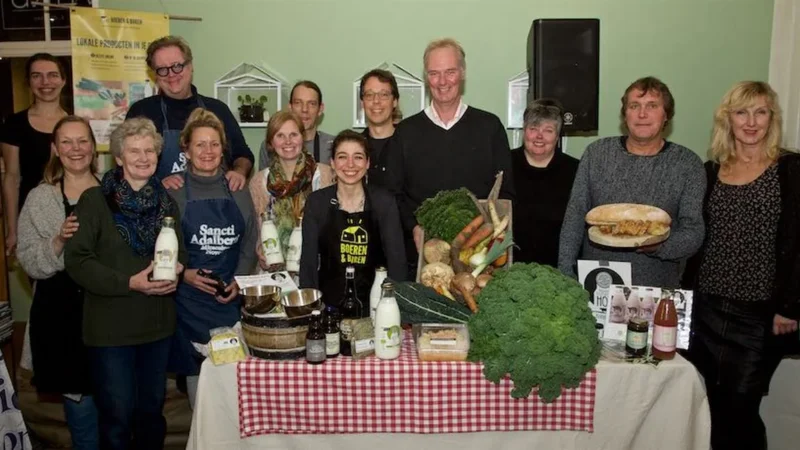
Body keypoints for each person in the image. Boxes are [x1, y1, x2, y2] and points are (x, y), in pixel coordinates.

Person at [683, 81, 800, 450]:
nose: (751, 122)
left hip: (759, 316)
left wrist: (790, 306)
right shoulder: (710, 170)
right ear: (727, 119)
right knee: (713, 405)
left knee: (742, 408)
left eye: (760, 112)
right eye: (741, 112)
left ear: (772, 118)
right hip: (707, 310)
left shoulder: (791, 168)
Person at [64, 117, 186, 449]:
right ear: (118, 156)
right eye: (134, 150)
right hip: (110, 332)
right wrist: (129, 282)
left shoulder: (166, 204)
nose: (143, 157)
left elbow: (182, 254)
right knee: (116, 418)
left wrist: (177, 267)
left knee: (150, 416)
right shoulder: (94, 201)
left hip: (157, 328)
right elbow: (77, 261)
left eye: (150, 150)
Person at [558, 76, 706, 287]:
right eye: (634, 105)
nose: (642, 114)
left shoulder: (688, 164)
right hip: (598, 283)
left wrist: (659, 246)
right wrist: (566, 271)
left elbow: (693, 231)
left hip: (657, 287)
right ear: (625, 115)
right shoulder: (597, 154)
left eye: (652, 106)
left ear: (666, 115)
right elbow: (574, 217)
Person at [390, 38, 514, 268]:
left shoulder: (489, 126)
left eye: (450, 72)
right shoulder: (406, 132)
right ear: (427, 77)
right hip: (422, 255)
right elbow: (395, 194)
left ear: (463, 73)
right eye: (434, 73)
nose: (442, 81)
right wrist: (413, 227)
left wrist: (491, 238)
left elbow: (506, 190)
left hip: (479, 256)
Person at [17, 116, 99, 449]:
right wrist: (58, 242)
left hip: (107, 313)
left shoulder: (114, 191)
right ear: (55, 148)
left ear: (94, 147)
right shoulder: (40, 198)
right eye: (67, 142)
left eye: (82, 141)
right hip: (60, 318)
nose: (75, 149)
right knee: (81, 411)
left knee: (118, 406)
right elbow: (28, 260)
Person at [168, 108, 258, 409]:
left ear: (223, 149)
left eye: (214, 144)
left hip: (228, 301)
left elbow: (249, 241)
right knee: (197, 375)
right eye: (200, 145)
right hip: (188, 302)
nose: (208, 151)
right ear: (187, 150)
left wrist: (238, 280)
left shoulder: (237, 187)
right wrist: (185, 274)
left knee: (232, 374)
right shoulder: (173, 191)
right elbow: (161, 247)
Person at [126, 35, 253, 190]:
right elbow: (127, 164)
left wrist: (239, 172)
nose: (171, 74)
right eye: (162, 70)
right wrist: (156, 186)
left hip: (215, 202)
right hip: (159, 207)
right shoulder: (141, 112)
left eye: (177, 66)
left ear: (191, 66)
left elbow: (243, 155)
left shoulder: (218, 109)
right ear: (155, 75)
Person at [300, 130, 406, 310]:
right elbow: (308, 262)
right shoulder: (317, 202)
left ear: (367, 163)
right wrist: (311, 310)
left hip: (375, 307)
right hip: (328, 308)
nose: (350, 164)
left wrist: (395, 307)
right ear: (332, 163)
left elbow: (397, 261)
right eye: (342, 157)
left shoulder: (384, 202)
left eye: (358, 157)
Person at [1, 53, 68, 256]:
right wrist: (12, 230)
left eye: (52, 75)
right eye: (37, 75)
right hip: (31, 217)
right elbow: (12, 178)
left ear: (63, 80)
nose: (45, 82)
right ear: (28, 82)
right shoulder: (14, 124)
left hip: (69, 215)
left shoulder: (75, 123)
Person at [249, 111, 334, 269]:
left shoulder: (325, 175)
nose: (288, 141)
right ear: (270, 143)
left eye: (293, 134)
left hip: (316, 270)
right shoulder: (259, 182)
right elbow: (255, 230)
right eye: (280, 135)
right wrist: (259, 250)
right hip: (273, 272)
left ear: (303, 138)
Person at [511, 99, 579, 266]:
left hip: (560, 268)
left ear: (557, 136)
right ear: (524, 131)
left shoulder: (576, 170)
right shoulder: (504, 164)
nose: (539, 136)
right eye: (533, 129)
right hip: (509, 267)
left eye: (548, 130)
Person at [258, 80, 334, 168]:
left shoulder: (333, 145)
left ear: (320, 109)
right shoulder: (273, 145)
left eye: (311, 104)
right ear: (290, 107)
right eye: (298, 103)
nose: (304, 109)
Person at [358, 69, 401, 188]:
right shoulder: (355, 146)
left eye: (384, 95)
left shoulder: (409, 144)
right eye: (369, 95)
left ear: (395, 102)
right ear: (362, 103)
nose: (376, 101)